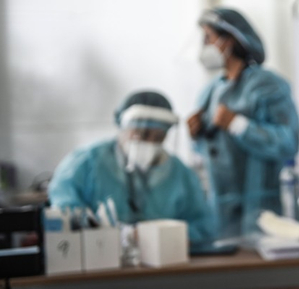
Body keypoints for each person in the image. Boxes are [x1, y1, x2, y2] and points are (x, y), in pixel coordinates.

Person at [188, 7, 299, 240]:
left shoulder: (267, 85)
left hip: (262, 211)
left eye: (208, 37)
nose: (204, 45)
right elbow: (213, 156)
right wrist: (196, 135)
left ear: (230, 40)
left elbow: (288, 142)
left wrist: (237, 124)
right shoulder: (209, 92)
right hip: (220, 215)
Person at [49, 91, 213, 243]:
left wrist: (157, 237)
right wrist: (106, 233)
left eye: (158, 137)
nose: (149, 143)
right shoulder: (88, 162)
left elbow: (204, 226)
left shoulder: (180, 174)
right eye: (141, 134)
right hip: (98, 258)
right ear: (121, 125)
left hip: (165, 265)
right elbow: (64, 208)